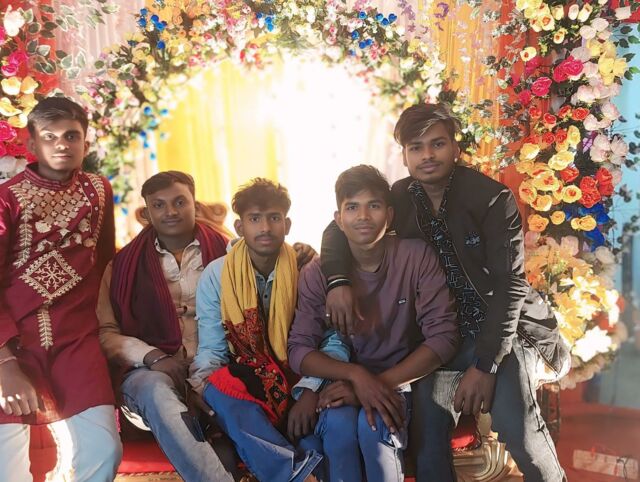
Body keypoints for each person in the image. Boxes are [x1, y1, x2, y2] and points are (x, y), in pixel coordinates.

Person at [321, 104, 569, 482]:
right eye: (416, 147)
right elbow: (338, 227)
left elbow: (509, 286)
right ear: (404, 156)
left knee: (519, 430)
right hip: (441, 337)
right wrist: (338, 281)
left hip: (502, 333)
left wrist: (485, 366)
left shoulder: (491, 198)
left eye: (437, 144)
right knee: (426, 440)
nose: (427, 155)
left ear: (455, 148)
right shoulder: (400, 197)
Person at [287, 165, 459, 482]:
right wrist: (356, 376)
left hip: (400, 377)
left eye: (374, 206)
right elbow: (299, 350)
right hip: (339, 381)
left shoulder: (416, 256)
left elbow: (444, 338)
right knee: (338, 429)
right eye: (352, 207)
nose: (363, 216)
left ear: (389, 215)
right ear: (338, 219)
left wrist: (376, 385)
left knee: (376, 429)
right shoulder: (317, 273)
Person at [190, 178, 348, 482]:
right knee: (217, 387)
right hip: (246, 380)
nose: (265, 228)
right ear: (239, 227)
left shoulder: (307, 269)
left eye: (274, 218)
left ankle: (288, 467)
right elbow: (212, 349)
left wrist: (310, 390)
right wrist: (204, 392)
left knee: (316, 445)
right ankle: (289, 474)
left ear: (287, 225)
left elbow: (334, 340)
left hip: (300, 375)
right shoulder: (217, 275)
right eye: (254, 219)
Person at [0, 96, 122, 481]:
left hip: (77, 342)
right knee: (8, 469)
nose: (62, 145)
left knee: (104, 450)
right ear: (32, 144)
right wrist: (4, 364)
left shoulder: (99, 191)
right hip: (14, 345)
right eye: (49, 137)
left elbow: (104, 260)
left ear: (85, 142)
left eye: (71, 136)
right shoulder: (6, 198)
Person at [97, 171, 237, 481]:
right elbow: (106, 333)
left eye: (179, 202)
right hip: (149, 374)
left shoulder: (230, 254)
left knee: (224, 396)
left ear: (194, 203)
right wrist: (152, 356)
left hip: (218, 368)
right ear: (147, 213)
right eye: (159, 205)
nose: (170, 212)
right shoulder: (121, 266)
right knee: (155, 389)